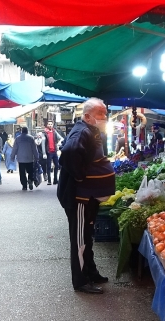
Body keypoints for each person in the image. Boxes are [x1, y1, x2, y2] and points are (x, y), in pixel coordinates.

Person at [57, 97, 115, 294]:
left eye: (105, 113)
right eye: (101, 114)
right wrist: (81, 177)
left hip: (88, 196)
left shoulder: (91, 131)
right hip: (79, 197)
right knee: (80, 239)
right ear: (88, 115)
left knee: (87, 236)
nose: (104, 117)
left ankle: (91, 271)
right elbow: (70, 151)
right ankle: (81, 281)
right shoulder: (82, 131)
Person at [41, 121, 64, 185]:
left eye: (51, 124)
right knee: (48, 167)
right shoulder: (44, 133)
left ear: (53, 125)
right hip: (48, 152)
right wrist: (44, 153)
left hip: (54, 151)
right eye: (49, 124)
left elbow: (61, 138)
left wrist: (59, 143)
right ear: (47, 125)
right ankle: (49, 180)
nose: (50, 125)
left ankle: (55, 180)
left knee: (56, 166)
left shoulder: (54, 132)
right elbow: (43, 144)